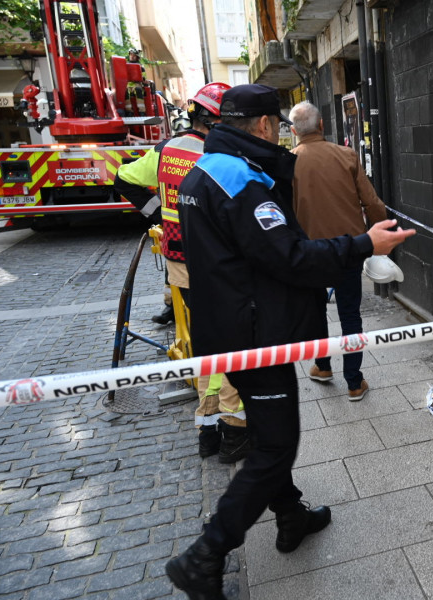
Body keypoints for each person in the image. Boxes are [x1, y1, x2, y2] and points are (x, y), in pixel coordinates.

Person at [165, 83, 415, 599]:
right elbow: (291, 257)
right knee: (277, 446)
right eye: (275, 124)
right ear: (261, 126)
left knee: (265, 432)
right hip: (254, 338)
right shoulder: (241, 181)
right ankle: (206, 553)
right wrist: (367, 244)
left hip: (226, 328)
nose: (278, 132)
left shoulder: (205, 169)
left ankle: (290, 516)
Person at [114, 82, 251, 465]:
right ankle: (235, 430)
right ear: (217, 122)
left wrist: (158, 213)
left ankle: (207, 428)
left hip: (181, 265)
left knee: (206, 345)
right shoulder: (221, 154)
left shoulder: (165, 150)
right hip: (217, 266)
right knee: (230, 347)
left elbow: (123, 179)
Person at [289, 100, 387, 401]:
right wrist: (381, 230)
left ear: (293, 131)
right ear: (322, 126)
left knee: (316, 313)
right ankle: (354, 382)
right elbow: (371, 202)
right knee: (350, 314)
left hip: (310, 251)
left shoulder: (286, 162)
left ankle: (322, 366)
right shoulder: (346, 155)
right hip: (349, 248)